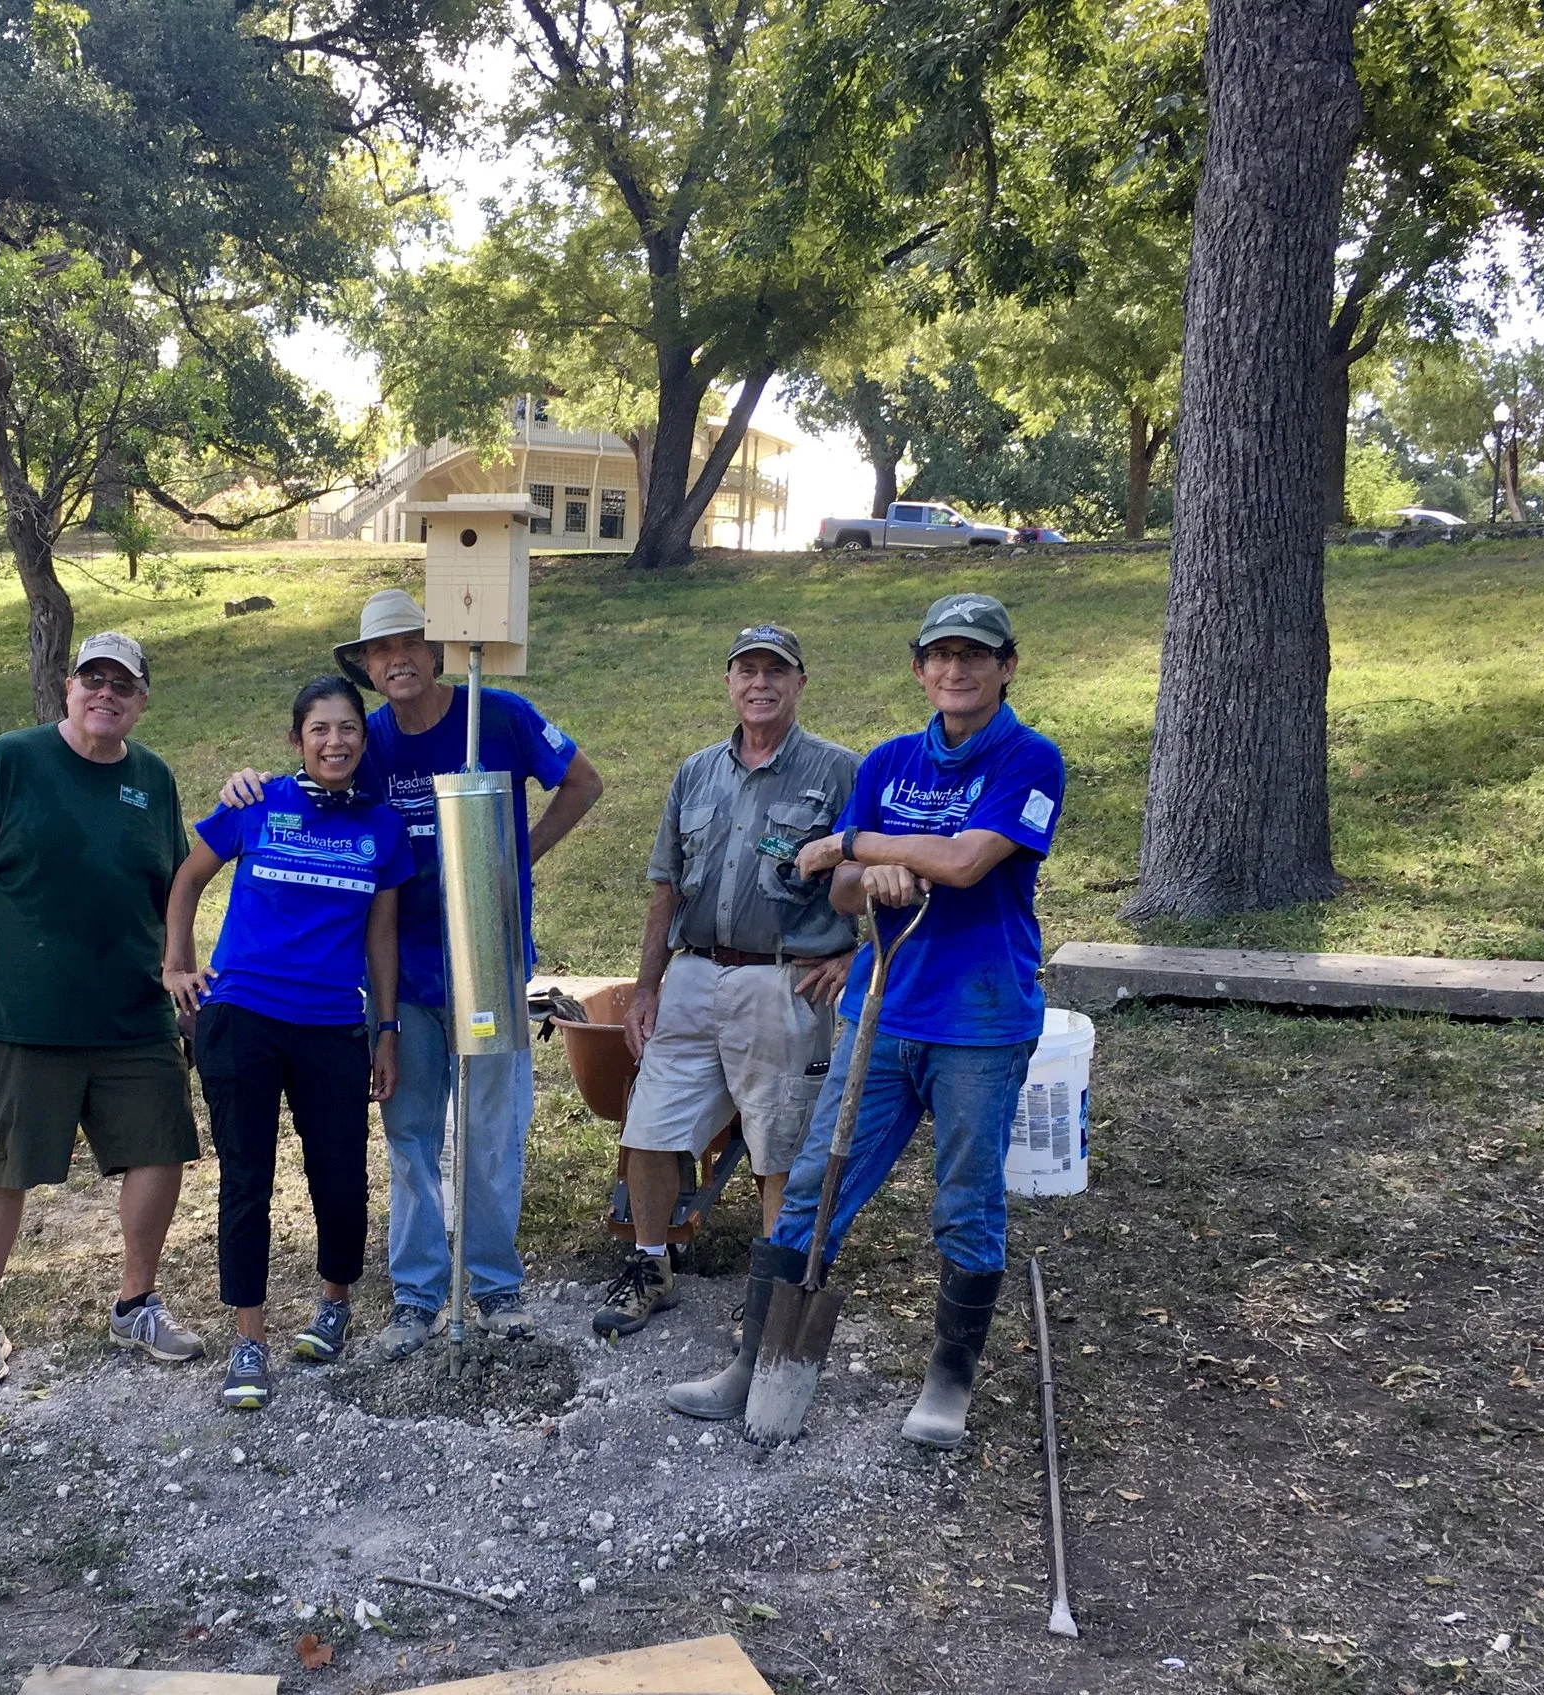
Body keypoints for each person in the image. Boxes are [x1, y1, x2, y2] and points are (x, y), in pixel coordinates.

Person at [666, 594, 1065, 1445]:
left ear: (1007, 667)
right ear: (919, 668)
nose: (956, 670)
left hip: (981, 1020)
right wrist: (866, 872)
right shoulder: (889, 763)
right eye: (941, 655)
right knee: (814, 1186)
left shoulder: (1030, 759)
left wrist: (858, 846)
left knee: (965, 1202)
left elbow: (963, 862)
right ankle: (755, 1364)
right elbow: (842, 893)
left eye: (975, 655)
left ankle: (947, 1387)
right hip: (881, 1011)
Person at [220, 588, 603, 1358]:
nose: (396, 659)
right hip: (405, 974)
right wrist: (246, 784)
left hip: (488, 964)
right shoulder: (369, 743)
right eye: (380, 650)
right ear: (366, 666)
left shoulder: (498, 716)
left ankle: (494, 1287)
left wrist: (517, 856)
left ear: (436, 650)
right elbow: (308, 792)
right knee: (411, 1136)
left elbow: (584, 782)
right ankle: (418, 1294)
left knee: (491, 1134)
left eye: (409, 643)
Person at [0, 631, 205, 1393]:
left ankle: (136, 1302)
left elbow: (174, 891)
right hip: (22, 1017)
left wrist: (180, 973)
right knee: (5, 1167)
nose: (106, 693)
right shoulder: (11, 761)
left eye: (122, 684)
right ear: (68, 688)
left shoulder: (154, 779)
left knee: (161, 1150)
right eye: (91, 679)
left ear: (141, 701)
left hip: (133, 1014)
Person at [600, 624, 858, 1345]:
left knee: (779, 1144)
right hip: (691, 973)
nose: (760, 683)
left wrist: (856, 958)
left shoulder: (840, 771)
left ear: (800, 683)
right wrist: (647, 988)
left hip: (783, 983)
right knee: (650, 1127)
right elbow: (665, 886)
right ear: (729, 682)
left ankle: (772, 1292)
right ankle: (651, 1265)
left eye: (776, 670)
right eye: (747, 670)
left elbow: (873, 874)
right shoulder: (695, 772)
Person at [163, 675, 413, 1410]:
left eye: (348, 728)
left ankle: (335, 1302)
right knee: (246, 1181)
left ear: (363, 740)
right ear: (296, 739)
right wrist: (176, 965)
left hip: (333, 1025)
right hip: (242, 1017)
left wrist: (387, 1030)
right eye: (320, 729)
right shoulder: (256, 802)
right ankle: (249, 1340)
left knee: (339, 1175)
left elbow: (383, 938)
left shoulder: (382, 827)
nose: (335, 741)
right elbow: (187, 879)